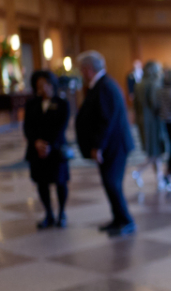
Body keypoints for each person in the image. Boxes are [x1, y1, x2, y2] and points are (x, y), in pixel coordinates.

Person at [75, 50, 136, 237]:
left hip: (114, 146)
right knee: (109, 183)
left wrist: (98, 146)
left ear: (88, 69)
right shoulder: (100, 84)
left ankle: (126, 221)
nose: (80, 73)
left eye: (81, 69)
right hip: (111, 146)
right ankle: (118, 218)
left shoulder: (105, 86)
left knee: (112, 183)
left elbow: (106, 121)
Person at [23, 70, 70, 229]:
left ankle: (61, 213)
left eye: (46, 84)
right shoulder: (31, 104)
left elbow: (60, 128)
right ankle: (48, 213)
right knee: (42, 183)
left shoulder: (62, 103)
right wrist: (36, 142)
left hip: (56, 149)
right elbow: (27, 127)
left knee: (60, 182)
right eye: (40, 85)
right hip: (36, 151)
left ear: (52, 85)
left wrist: (48, 145)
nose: (43, 88)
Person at [132, 60, 168, 189]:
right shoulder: (154, 83)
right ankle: (138, 171)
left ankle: (160, 180)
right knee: (155, 151)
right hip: (153, 122)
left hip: (142, 120)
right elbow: (155, 104)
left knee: (154, 151)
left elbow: (135, 104)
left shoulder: (139, 84)